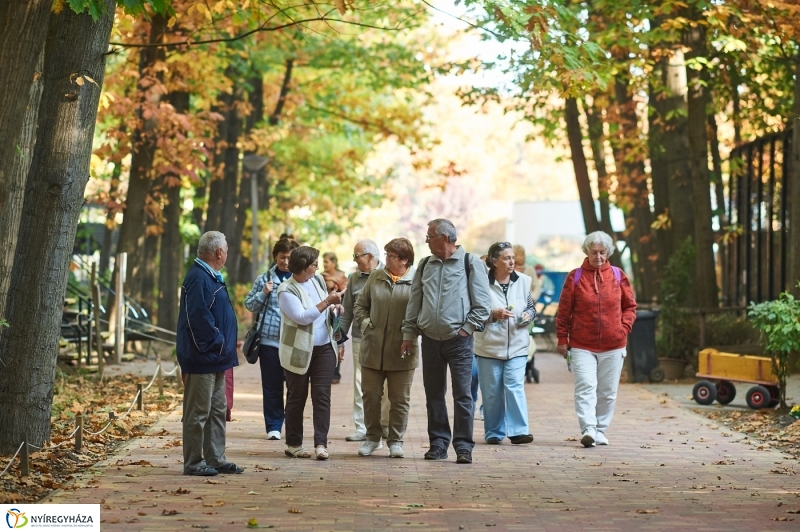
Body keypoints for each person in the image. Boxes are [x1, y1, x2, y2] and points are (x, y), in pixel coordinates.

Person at [400, 219, 492, 464]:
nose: (426, 240)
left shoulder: (469, 262)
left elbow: (483, 305)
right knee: (434, 395)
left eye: (430, 236)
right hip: (429, 339)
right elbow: (414, 301)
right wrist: (409, 334)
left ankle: (463, 447)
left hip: (459, 341)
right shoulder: (424, 264)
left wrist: (466, 329)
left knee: (463, 395)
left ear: (444, 238)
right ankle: (438, 444)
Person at [556, 231, 637, 447]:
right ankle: (588, 429)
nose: (598, 257)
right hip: (582, 344)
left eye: (602, 252)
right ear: (587, 252)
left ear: (608, 252)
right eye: (594, 252)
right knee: (585, 386)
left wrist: (624, 328)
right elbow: (564, 311)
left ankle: (600, 429)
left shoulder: (618, 275)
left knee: (608, 391)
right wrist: (562, 339)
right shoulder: (575, 276)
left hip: (614, 344)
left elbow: (630, 306)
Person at [176, 231, 243, 476]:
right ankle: (194, 462)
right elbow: (198, 318)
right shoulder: (198, 278)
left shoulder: (211, 276)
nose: (227, 253)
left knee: (216, 410)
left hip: (217, 358)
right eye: (226, 249)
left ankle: (215, 458)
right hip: (203, 357)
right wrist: (218, 341)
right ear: (218, 252)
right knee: (198, 413)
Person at [353, 238, 418, 458]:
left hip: (403, 350)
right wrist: (366, 325)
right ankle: (372, 438)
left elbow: (422, 311)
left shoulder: (416, 280)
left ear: (404, 260)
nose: (386, 259)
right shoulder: (375, 277)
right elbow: (360, 305)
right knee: (370, 396)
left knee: (399, 400)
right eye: (387, 255)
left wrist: (412, 334)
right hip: (373, 347)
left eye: (391, 256)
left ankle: (395, 441)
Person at [277, 246, 343, 460]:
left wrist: (335, 309)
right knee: (297, 396)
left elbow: (325, 312)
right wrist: (327, 303)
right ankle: (294, 443)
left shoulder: (317, 281)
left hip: (324, 347)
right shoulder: (286, 290)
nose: (317, 267)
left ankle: (321, 444)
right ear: (303, 267)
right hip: (299, 350)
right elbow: (303, 317)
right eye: (314, 264)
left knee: (322, 396)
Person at [474, 242, 536, 445]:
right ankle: (493, 431)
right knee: (492, 392)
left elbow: (530, 307)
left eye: (512, 258)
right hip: (489, 347)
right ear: (494, 261)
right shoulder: (480, 283)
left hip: (517, 345)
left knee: (514, 386)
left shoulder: (524, 281)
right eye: (506, 258)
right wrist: (492, 314)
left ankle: (519, 430)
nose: (512, 261)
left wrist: (528, 315)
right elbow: (472, 312)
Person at [244, 238, 300, 441]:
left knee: (294, 387)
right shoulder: (265, 278)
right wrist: (263, 292)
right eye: (282, 257)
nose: (286, 261)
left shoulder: (300, 279)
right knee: (272, 386)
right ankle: (274, 425)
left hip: (293, 342)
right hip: (269, 342)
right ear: (275, 257)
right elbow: (249, 305)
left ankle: (292, 424)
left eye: (290, 257)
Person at [338, 239, 390, 442]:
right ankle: (362, 427)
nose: (354, 260)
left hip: (387, 339)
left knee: (387, 385)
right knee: (361, 384)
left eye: (357, 255)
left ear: (370, 256)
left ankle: (384, 424)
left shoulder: (389, 274)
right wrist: (340, 340)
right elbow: (347, 312)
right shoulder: (354, 278)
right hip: (362, 339)